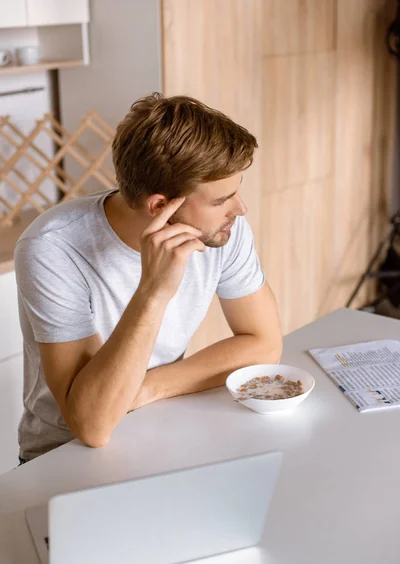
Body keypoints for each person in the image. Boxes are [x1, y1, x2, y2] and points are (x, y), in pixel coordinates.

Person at [14, 93, 282, 463]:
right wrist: (153, 293)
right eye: (221, 201)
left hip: (162, 427)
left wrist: (148, 388)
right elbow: (93, 425)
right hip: (61, 459)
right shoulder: (53, 248)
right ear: (159, 206)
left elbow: (264, 343)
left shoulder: (222, 228)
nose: (240, 209)